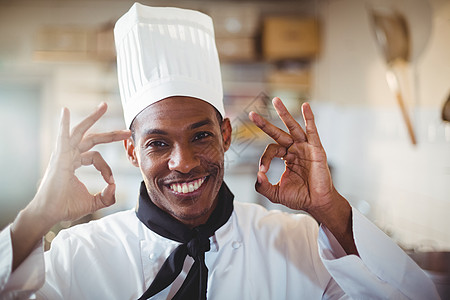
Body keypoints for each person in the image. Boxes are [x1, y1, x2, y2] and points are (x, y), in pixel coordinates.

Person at [0, 3, 440, 300]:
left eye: (201, 135)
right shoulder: (81, 256)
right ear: (132, 152)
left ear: (227, 134)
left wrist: (331, 210)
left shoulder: (298, 246)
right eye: (157, 143)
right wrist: (37, 214)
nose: (184, 162)